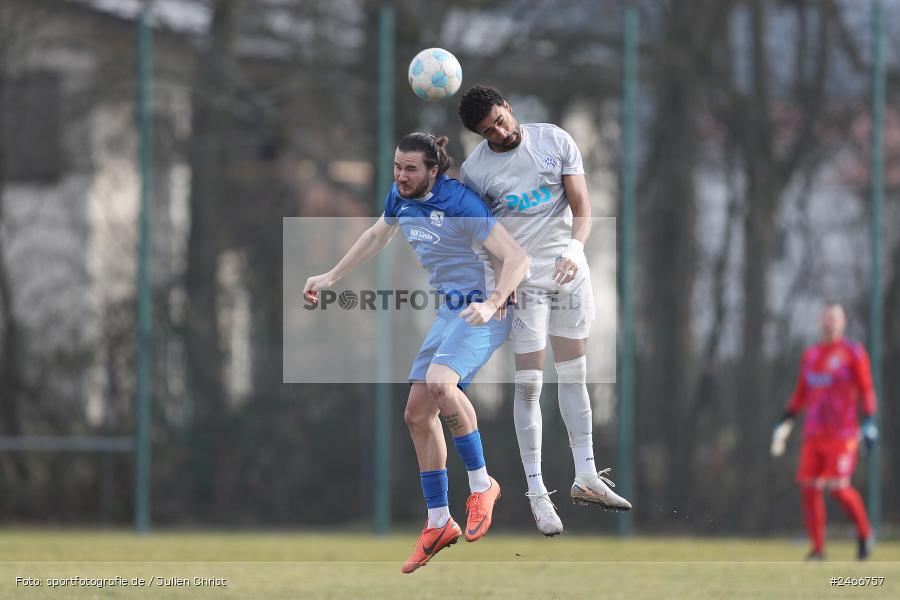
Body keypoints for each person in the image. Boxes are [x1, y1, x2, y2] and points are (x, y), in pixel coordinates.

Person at [303, 133, 528, 573]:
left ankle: (482, 484)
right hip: (450, 313)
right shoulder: (400, 197)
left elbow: (516, 257)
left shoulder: (460, 202)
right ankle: (439, 521)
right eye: (397, 167)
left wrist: (493, 301)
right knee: (417, 414)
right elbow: (377, 235)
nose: (401, 176)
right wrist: (330, 276)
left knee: (442, 384)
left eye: (410, 169)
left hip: (485, 310)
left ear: (433, 171)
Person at [457, 85, 631, 537]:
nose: (500, 133)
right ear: (479, 136)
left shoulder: (555, 139)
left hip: (570, 274)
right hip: (523, 284)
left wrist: (575, 247)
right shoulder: (476, 171)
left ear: (508, 107)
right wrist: (498, 286)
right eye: (488, 131)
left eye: (500, 121)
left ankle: (586, 475)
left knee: (575, 374)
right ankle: (536, 493)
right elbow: (482, 238)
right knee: (530, 385)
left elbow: (583, 206)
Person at [770, 303, 879, 561]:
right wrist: (786, 419)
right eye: (827, 318)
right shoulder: (810, 355)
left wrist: (869, 421)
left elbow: (866, 389)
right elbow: (801, 393)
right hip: (813, 433)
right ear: (821, 321)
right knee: (809, 488)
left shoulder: (852, 353)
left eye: (835, 318)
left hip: (843, 434)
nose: (830, 322)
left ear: (843, 322)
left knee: (838, 488)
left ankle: (865, 533)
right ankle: (818, 550)